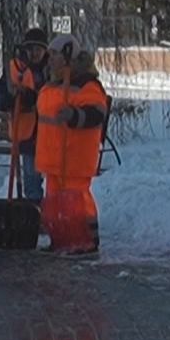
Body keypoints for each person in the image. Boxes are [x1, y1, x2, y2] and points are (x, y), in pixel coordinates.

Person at [35, 34, 112, 255]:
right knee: (55, 204)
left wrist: (75, 115)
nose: (50, 60)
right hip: (53, 159)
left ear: (68, 56)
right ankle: (61, 239)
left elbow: (97, 113)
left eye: (55, 55)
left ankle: (85, 240)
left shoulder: (87, 85)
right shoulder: (52, 84)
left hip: (74, 157)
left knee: (77, 203)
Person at [0, 27, 51, 202]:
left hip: (51, 131)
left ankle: (53, 212)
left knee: (54, 179)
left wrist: (34, 98)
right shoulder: (15, 69)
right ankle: (33, 209)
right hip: (28, 133)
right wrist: (10, 98)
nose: (34, 53)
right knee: (31, 176)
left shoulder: (53, 69)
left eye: (39, 49)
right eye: (31, 49)